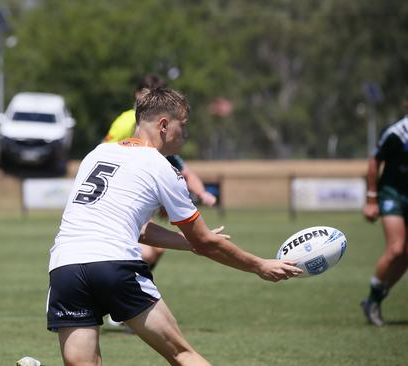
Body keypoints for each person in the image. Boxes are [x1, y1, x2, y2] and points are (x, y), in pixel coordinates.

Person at [47, 87, 302, 365]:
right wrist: (259, 265)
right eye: (184, 126)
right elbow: (205, 242)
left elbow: (139, 228)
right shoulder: (160, 167)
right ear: (164, 125)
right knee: (182, 355)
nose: (187, 134)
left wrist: (186, 243)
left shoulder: (97, 154)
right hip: (113, 265)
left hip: (65, 267)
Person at [104, 75, 216, 268]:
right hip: (117, 198)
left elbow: (184, 170)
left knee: (156, 249)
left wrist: (201, 193)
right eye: (146, 91)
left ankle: (134, 285)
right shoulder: (126, 122)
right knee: (147, 251)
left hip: (139, 193)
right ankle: (130, 284)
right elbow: (106, 154)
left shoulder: (162, 139)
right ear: (136, 94)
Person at [360, 93, 408, 327]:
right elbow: (374, 161)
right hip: (393, 195)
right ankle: (372, 299)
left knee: (406, 256)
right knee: (397, 249)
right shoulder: (397, 132)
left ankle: (377, 297)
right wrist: (371, 198)